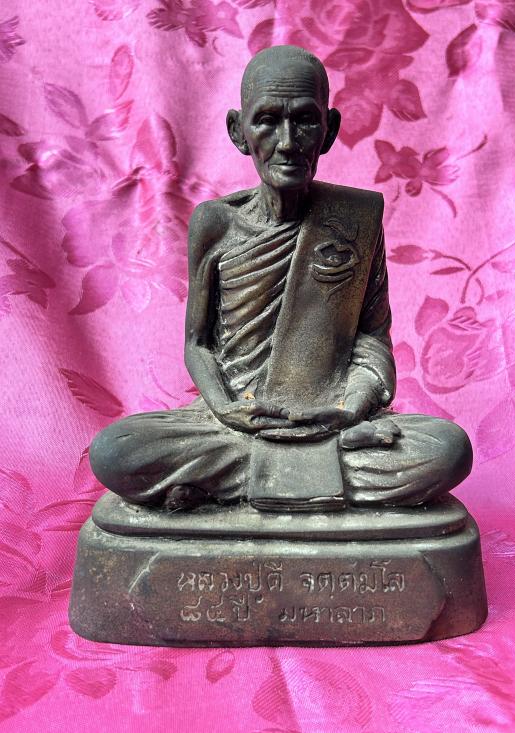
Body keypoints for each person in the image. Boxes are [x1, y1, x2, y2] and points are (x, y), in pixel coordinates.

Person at [89, 45, 472, 512]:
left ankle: (230, 485)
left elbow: (372, 339)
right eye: (268, 121)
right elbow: (197, 343)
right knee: (116, 450)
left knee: (448, 449)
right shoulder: (215, 224)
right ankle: (306, 477)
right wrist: (226, 409)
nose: (288, 142)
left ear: (329, 130)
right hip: (237, 421)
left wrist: (350, 406)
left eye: (305, 121)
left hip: (331, 421)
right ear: (239, 131)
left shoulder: (356, 218)